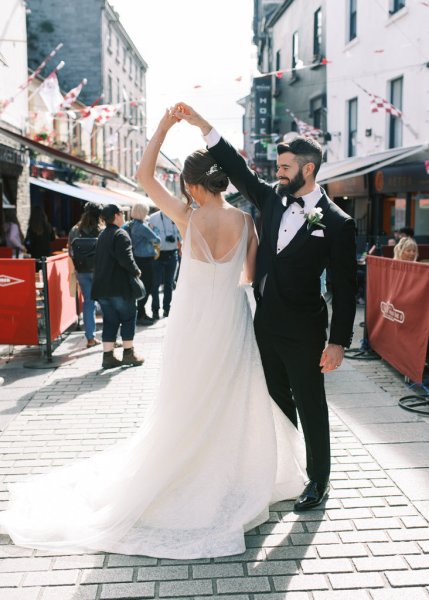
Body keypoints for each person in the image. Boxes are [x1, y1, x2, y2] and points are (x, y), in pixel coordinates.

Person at [0, 110, 306, 559]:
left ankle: (187, 471)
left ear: (191, 184)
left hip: (193, 320)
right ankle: (229, 477)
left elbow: (144, 174)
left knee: (184, 398)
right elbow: (248, 274)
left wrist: (163, 128)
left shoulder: (187, 217)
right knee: (230, 394)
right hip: (232, 316)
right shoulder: (246, 223)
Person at [176, 102, 357, 511]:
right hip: (265, 324)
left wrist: (338, 342)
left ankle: (318, 479)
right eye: (277, 166)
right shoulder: (272, 198)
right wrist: (204, 125)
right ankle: (284, 469)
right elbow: (236, 169)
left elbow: (346, 290)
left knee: (311, 404)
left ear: (308, 169)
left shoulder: (338, 222)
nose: (278, 172)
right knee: (275, 400)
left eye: (285, 167)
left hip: (307, 331)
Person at [91, 204, 144, 369]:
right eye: (122, 213)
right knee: (128, 317)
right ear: (116, 215)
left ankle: (108, 357)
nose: (123, 216)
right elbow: (126, 259)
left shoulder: (102, 235)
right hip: (119, 286)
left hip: (102, 287)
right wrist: (136, 271)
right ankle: (129, 353)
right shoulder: (121, 234)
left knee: (110, 320)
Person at [68, 202, 103, 348]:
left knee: (88, 303)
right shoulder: (101, 230)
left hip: (82, 271)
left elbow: (70, 252)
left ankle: (90, 338)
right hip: (99, 271)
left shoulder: (75, 230)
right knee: (105, 302)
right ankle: (110, 338)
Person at [124, 202, 160, 325]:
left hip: (136, 258)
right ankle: (140, 314)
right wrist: (154, 228)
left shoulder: (130, 225)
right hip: (145, 260)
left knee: (140, 286)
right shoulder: (142, 227)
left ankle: (140, 312)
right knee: (147, 286)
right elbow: (157, 239)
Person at [148, 209, 180, 318]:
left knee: (169, 284)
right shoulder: (153, 217)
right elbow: (149, 236)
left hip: (172, 254)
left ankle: (167, 309)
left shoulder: (176, 216)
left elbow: (182, 235)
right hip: (157, 254)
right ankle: (155, 310)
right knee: (155, 284)